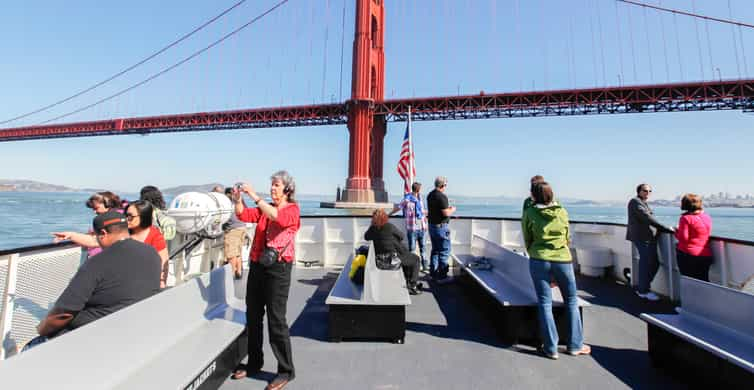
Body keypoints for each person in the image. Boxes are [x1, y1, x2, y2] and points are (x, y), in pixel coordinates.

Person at [30, 211, 160, 348]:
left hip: (97, 334)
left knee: (31, 347)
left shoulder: (97, 263)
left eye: (96, 237)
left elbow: (63, 313)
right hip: (135, 327)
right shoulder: (151, 252)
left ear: (103, 233)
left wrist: (42, 330)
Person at [231, 171, 299, 390]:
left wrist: (255, 196)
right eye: (271, 185)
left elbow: (277, 217)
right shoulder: (264, 208)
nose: (272, 189)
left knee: (276, 320)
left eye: (276, 185)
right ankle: (254, 363)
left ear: (287, 189)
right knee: (253, 316)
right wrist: (238, 200)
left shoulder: (292, 210)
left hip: (278, 270)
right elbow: (243, 215)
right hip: (258, 267)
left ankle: (286, 370)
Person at [522, 182, 590, 360]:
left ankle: (550, 348)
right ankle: (575, 345)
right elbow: (567, 237)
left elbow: (527, 238)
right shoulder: (562, 211)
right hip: (563, 260)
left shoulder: (530, 213)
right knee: (571, 301)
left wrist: (535, 253)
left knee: (545, 303)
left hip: (539, 259)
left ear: (534, 196)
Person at [53, 200, 169, 288]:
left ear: (144, 217)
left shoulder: (155, 235)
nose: (126, 219)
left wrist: (161, 283)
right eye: (125, 215)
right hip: (120, 281)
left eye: (131, 217)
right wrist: (71, 235)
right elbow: (94, 241)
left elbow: (163, 262)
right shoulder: (123, 232)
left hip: (143, 282)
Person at [626, 184, 675, 301]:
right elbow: (647, 218)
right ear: (639, 191)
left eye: (650, 191)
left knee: (652, 263)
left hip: (647, 238)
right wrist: (665, 228)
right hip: (643, 238)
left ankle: (643, 286)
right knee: (647, 263)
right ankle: (643, 290)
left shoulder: (642, 202)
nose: (647, 193)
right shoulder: (635, 202)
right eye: (645, 191)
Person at [365, 209, 423, 295]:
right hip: (392, 261)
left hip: (379, 261)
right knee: (416, 259)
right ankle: (413, 286)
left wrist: (372, 226)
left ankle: (408, 282)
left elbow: (366, 237)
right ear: (385, 217)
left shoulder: (373, 229)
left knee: (406, 258)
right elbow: (401, 236)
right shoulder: (389, 226)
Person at [53, 191, 122, 258]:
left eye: (96, 208)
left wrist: (71, 235)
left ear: (108, 204)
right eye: (93, 209)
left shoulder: (116, 221)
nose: (95, 212)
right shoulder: (109, 218)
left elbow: (95, 241)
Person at [390, 182, 428, 272]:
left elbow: (422, 212)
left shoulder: (420, 199)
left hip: (422, 228)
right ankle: (413, 267)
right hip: (412, 229)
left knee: (423, 248)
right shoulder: (407, 199)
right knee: (412, 249)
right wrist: (390, 214)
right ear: (418, 189)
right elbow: (399, 207)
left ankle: (425, 266)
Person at [675, 194, 713, 282]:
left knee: (688, 281)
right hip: (705, 255)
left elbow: (683, 239)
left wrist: (676, 231)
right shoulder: (707, 217)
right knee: (703, 281)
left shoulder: (685, 218)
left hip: (688, 255)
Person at [426, 176, 456, 282]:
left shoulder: (430, 195)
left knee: (435, 250)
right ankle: (442, 276)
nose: (445, 187)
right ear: (442, 185)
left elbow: (434, 211)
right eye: (445, 185)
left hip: (432, 226)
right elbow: (445, 212)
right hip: (441, 227)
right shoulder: (442, 196)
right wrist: (452, 209)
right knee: (444, 251)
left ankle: (433, 273)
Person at [223, 187, 247, 279]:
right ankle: (239, 272)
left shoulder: (228, 203)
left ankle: (231, 275)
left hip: (233, 230)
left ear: (228, 194)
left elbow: (226, 217)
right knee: (238, 252)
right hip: (242, 227)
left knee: (231, 254)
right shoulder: (239, 201)